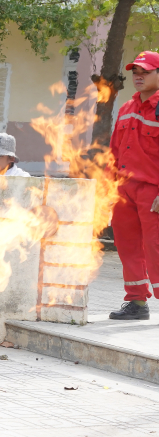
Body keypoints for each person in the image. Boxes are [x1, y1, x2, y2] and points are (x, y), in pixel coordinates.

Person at [109, 50, 159, 320]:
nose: (138, 77)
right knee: (127, 245)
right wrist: (108, 189)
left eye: (146, 72)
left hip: (153, 189)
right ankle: (137, 303)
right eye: (135, 73)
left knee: (155, 245)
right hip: (124, 189)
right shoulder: (128, 108)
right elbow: (115, 150)